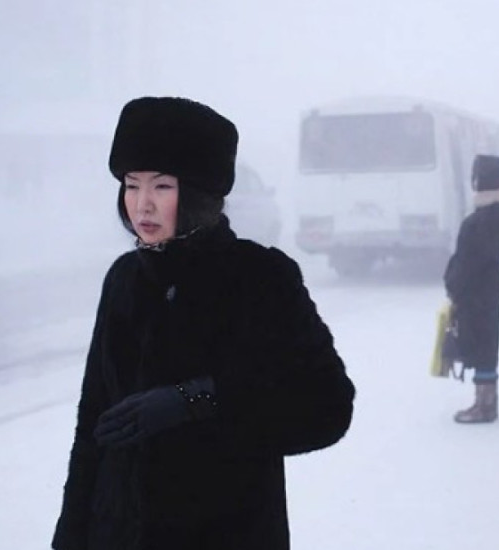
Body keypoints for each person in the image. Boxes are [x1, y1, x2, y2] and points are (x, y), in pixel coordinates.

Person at [52, 97, 355, 550]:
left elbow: (327, 408)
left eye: (162, 187)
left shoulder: (261, 278)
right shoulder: (123, 280)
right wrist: (70, 538)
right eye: (131, 186)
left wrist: (195, 400)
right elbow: (91, 425)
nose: (142, 205)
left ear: (197, 193)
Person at [444, 155, 499, 424]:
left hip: (479, 287)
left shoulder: (494, 211)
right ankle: (483, 400)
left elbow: (476, 255)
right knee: (481, 340)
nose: (475, 181)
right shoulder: (495, 208)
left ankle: (486, 404)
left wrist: (456, 280)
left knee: (482, 342)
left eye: (479, 175)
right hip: (481, 285)